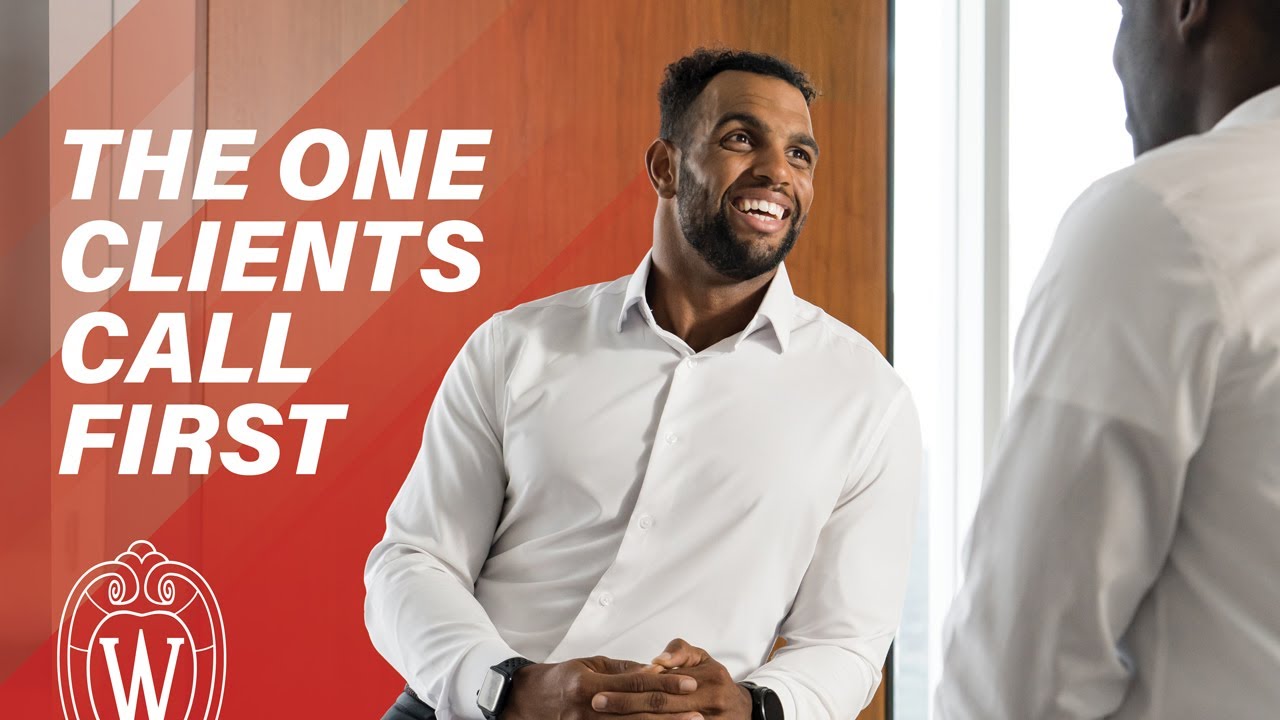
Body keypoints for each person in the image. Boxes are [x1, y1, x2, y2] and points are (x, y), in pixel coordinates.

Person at [365, 48, 921, 720]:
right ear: (665, 167)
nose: (777, 171)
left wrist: (755, 709)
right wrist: (508, 688)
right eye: (741, 139)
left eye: (800, 155)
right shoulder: (516, 346)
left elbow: (846, 641)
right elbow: (413, 562)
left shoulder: (866, 399)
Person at [936, 1, 1280, 717]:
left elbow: (1017, 685)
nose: (1117, 55)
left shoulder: (1165, 220)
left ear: (1186, 10)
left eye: (1124, 11)